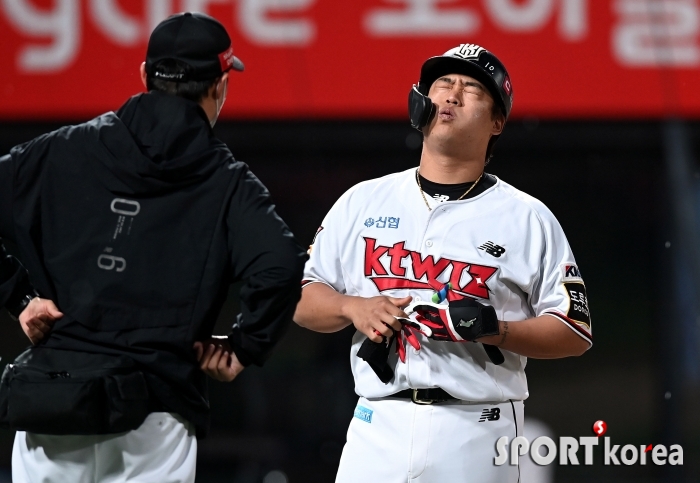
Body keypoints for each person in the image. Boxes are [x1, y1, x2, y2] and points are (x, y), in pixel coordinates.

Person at [0, 12, 306, 483]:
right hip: (154, 414)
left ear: (144, 76)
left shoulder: (65, 149)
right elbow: (281, 266)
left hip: (52, 402)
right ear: (220, 85)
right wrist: (243, 347)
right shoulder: (228, 183)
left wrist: (18, 297)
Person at [294, 43, 591, 482]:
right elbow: (302, 302)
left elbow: (575, 330)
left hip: (478, 428)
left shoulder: (526, 217)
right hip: (377, 423)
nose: (451, 95)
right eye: (442, 85)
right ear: (421, 103)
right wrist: (352, 307)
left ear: (496, 122)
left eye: (471, 88)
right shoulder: (363, 200)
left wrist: (497, 329)